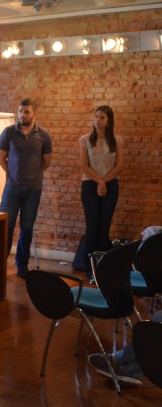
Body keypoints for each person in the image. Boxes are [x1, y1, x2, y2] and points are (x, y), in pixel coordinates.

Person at [0, 98, 53, 278]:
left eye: (26, 112)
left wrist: (32, 176)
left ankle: (21, 265)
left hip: (33, 189)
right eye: (20, 111)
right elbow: (1, 159)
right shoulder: (8, 133)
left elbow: (46, 162)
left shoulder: (43, 135)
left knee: (27, 227)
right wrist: (12, 175)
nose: (23, 115)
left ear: (34, 113)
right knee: (6, 226)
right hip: (12, 189)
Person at [79, 105, 124, 278]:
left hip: (111, 185)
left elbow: (119, 165)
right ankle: (90, 269)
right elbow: (84, 165)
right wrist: (99, 181)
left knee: (104, 227)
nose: (98, 120)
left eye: (102, 117)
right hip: (90, 185)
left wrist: (105, 182)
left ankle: (102, 268)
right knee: (92, 227)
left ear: (109, 121)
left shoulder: (117, 141)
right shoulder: (85, 140)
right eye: (96, 116)